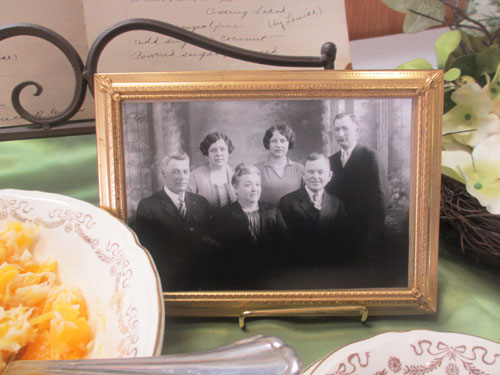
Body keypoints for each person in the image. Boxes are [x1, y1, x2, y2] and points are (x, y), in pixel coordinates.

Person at [134, 152, 212, 292]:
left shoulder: (201, 203)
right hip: (168, 283)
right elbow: (147, 251)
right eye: (175, 172)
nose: (182, 177)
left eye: (185, 171)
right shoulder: (148, 206)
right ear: (163, 174)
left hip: (201, 281)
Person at [211, 163, 287, 289]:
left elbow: (285, 245)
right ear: (235, 187)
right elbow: (220, 255)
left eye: (257, 184)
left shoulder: (272, 211)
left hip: (271, 278)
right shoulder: (224, 215)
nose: (254, 189)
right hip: (238, 280)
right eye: (248, 185)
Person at [325, 113, 389, 253]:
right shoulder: (331, 161)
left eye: (345, 128)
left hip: (365, 236)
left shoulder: (371, 157)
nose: (340, 134)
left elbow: (381, 199)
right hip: (337, 235)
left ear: (357, 130)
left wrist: (373, 235)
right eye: (337, 129)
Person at [278, 153, 347, 265]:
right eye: (310, 172)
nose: (315, 176)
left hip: (330, 266)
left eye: (320, 172)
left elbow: (342, 241)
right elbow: (283, 242)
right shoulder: (287, 202)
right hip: (298, 266)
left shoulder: (338, 204)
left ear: (329, 176)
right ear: (303, 175)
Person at [256, 124, 304, 205]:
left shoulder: (300, 169)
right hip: (266, 216)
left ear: (289, 143)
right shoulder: (257, 169)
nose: (279, 145)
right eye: (274, 141)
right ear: (268, 144)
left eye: (283, 140)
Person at [188, 131, 237, 209]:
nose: (219, 154)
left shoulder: (236, 172)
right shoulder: (195, 176)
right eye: (213, 150)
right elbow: (188, 205)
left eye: (222, 149)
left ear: (228, 152)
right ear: (207, 154)